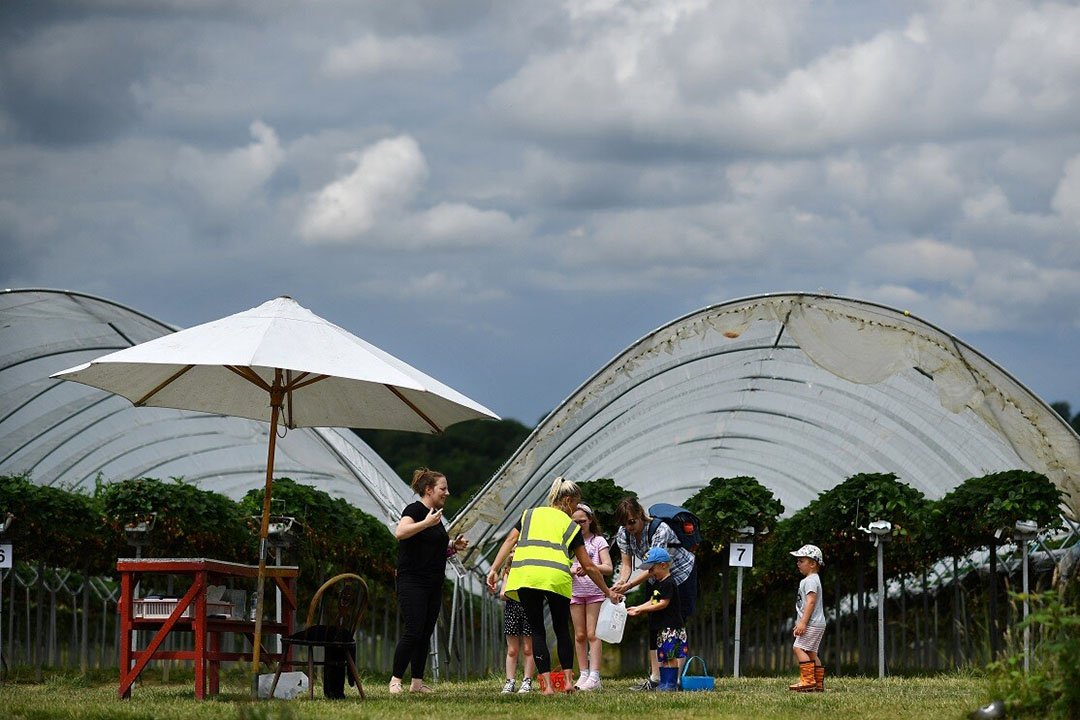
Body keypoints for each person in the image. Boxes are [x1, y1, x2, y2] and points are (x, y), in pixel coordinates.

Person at [486, 477, 624, 695]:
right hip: (555, 578)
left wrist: (494, 569)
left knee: (537, 630)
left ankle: (548, 687)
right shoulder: (569, 525)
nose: (575, 511)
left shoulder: (528, 515)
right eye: (575, 504)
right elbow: (587, 565)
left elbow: (509, 541)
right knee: (561, 629)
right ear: (567, 500)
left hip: (526, 577)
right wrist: (607, 591)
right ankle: (568, 683)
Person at [389, 467, 468, 695]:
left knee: (425, 632)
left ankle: (416, 682)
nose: (447, 493)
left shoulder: (435, 515)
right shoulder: (415, 510)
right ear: (428, 489)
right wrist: (426, 523)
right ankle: (395, 680)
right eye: (443, 488)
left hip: (433, 582)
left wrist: (452, 545)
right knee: (413, 630)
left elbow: (430, 544)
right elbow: (400, 532)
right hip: (412, 581)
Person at [611, 497, 697, 690]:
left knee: (675, 623)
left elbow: (654, 564)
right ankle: (656, 678)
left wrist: (631, 583)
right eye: (624, 523)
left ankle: (673, 680)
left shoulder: (660, 529)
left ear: (641, 516)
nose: (629, 527)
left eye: (632, 522)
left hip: (680, 574)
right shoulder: (624, 533)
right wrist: (622, 582)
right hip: (655, 577)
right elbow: (627, 564)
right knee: (655, 624)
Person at [626, 547, 688, 692]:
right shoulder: (659, 584)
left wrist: (642, 610)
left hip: (671, 627)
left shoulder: (669, 583)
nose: (650, 573)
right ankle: (664, 682)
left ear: (663, 565)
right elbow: (653, 601)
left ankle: (671, 684)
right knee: (664, 656)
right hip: (662, 627)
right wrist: (637, 607)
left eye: (652, 569)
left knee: (671, 656)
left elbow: (662, 604)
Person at [569, 503, 612, 691]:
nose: (579, 525)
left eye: (583, 521)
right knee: (579, 635)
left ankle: (595, 675)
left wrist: (589, 568)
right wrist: (572, 570)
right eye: (575, 522)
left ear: (590, 520)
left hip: (594, 592)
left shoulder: (598, 541)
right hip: (575, 593)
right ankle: (583, 673)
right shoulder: (568, 544)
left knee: (593, 634)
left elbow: (608, 567)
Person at [788, 544, 826, 692]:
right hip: (817, 622)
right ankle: (817, 683)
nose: (798, 564)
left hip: (812, 623)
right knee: (811, 653)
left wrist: (803, 623)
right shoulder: (813, 579)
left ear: (812, 563)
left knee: (798, 648)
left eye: (801, 561)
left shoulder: (810, 580)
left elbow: (811, 601)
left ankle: (808, 681)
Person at [499, 549, 536, 693]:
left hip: (529, 611)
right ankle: (510, 681)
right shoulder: (508, 572)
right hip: (512, 612)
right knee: (512, 649)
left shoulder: (530, 571)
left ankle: (527, 681)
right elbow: (503, 594)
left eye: (517, 550)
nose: (514, 553)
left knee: (528, 649)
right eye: (512, 550)